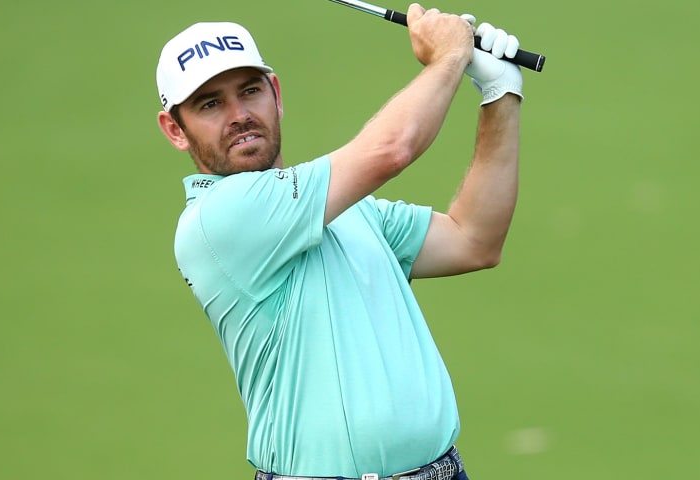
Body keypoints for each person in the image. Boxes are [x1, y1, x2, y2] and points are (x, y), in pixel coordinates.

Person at [155, 3, 525, 480]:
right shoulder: (217, 220)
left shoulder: (347, 211)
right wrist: (450, 56)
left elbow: (473, 239)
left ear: (276, 95)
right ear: (174, 130)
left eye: (250, 91)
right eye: (210, 104)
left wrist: (500, 92)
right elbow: (393, 149)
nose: (239, 115)